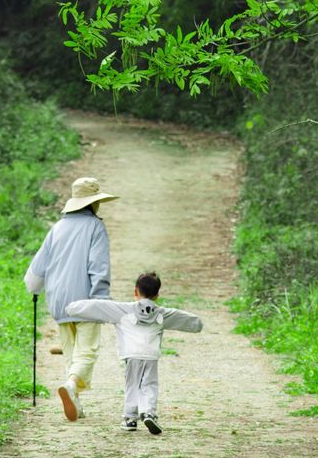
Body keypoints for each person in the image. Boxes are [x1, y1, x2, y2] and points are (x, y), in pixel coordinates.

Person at [24, 176, 118, 422]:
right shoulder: (95, 227)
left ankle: (76, 402)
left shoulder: (57, 228)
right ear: (93, 203)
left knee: (72, 354)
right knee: (86, 354)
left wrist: (35, 289)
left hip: (59, 301)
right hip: (86, 299)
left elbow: (36, 272)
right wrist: (101, 301)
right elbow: (99, 266)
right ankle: (72, 388)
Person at [66, 272, 202, 434]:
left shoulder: (123, 310)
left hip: (131, 355)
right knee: (149, 384)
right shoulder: (162, 313)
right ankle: (148, 412)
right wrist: (198, 325)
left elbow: (97, 306)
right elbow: (186, 319)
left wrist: (71, 309)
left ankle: (130, 418)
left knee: (132, 384)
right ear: (157, 295)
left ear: (135, 291)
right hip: (151, 355)